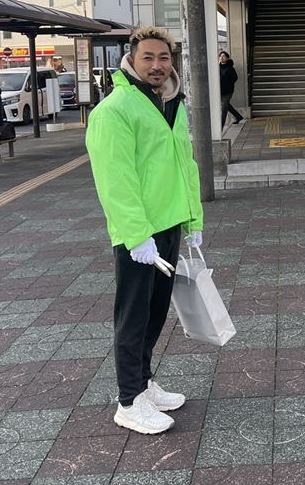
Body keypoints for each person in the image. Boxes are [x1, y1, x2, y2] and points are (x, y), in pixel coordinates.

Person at [85, 26, 204, 436]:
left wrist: (194, 219)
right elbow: (115, 180)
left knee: (155, 312)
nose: (157, 65)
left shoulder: (171, 103)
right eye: (148, 57)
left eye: (164, 57)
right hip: (139, 235)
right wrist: (136, 236)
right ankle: (129, 400)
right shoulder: (115, 109)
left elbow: (186, 163)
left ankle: (144, 382)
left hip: (169, 224)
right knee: (133, 316)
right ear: (132, 60)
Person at [218, 51, 243, 127]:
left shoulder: (230, 68)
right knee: (226, 105)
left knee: (224, 107)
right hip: (219, 91)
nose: (222, 57)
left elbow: (235, 78)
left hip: (228, 91)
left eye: (223, 56)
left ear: (227, 58)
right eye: (220, 56)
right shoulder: (217, 67)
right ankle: (238, 116)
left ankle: (220, 127)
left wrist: (228, 84)